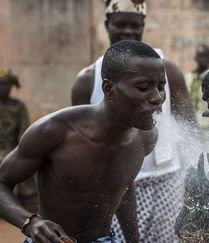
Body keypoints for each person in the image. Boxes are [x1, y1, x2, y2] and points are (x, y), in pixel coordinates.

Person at [0, 40, 165, 243]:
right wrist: (30, 223)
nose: (158, 97)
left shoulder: (145, 138)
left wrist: (133, 240)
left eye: (161, 86)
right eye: (143, 87)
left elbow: (124, 187)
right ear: (108, 89)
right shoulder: (55, 130)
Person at [71, 1, 195, 242]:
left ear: (143, 26)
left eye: (134, 25)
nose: (128, 31)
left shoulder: (168, 72)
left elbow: (189, 128)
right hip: (112, 187)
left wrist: (193, 185)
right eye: (120, 24)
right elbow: (81, 144)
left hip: (165, 181)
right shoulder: (88, 80)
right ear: (107, 25)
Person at [0, 70, 37, 201]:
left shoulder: (18, 107)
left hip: (11, 147)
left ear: (11, 86)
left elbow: (24, 133)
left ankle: (25, 200)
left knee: (26, 163)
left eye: (4, 84)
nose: (1, 88)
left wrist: (20, 149)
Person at [186, 45, 209, 128]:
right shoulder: (189, 77)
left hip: (207, 124)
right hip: (192, 123)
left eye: (205, 56)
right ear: (196, 58)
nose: (203, 59)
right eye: (200, 56)